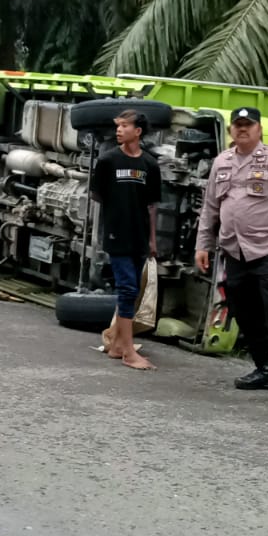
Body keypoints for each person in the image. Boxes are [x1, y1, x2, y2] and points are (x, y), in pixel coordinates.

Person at [195, 106, 268, 408]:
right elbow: (210, 209)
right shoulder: (221, 162)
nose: (242, 129)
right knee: (244, 313)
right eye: (238, 125)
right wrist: (202, 245)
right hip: (233, 251)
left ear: (258, 129)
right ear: (232, 129)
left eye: (248, 125)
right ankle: (263, 370)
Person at [90, 109, 161, 370]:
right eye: (117, 126)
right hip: (116, 233)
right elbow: (98, 196)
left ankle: (118, 344)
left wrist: (153, 240)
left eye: (124, 126)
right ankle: (129, 352)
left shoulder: (150, 165)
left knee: (131, 291)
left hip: (140, 235)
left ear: (138, 131)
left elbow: (152, 205)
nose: (119, 130)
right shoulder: (108, 161)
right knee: (128, 288)